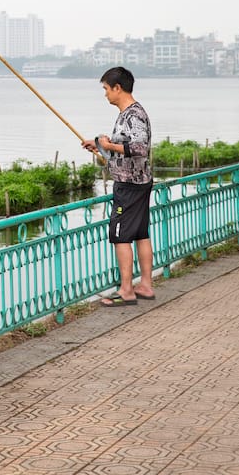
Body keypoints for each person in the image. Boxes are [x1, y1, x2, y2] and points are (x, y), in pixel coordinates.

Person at [82, 66, 155, 306]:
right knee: (140, 233)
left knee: (120, 236)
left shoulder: (133, 114)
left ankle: (127, 291)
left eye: (106, 89)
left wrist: (110, 147)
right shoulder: (128, 114)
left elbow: (138, 148)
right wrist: (98, 144)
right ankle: (145, 285)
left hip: (129, 186)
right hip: (139, 182)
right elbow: (124, 145)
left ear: (117, 88)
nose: (105, 94)